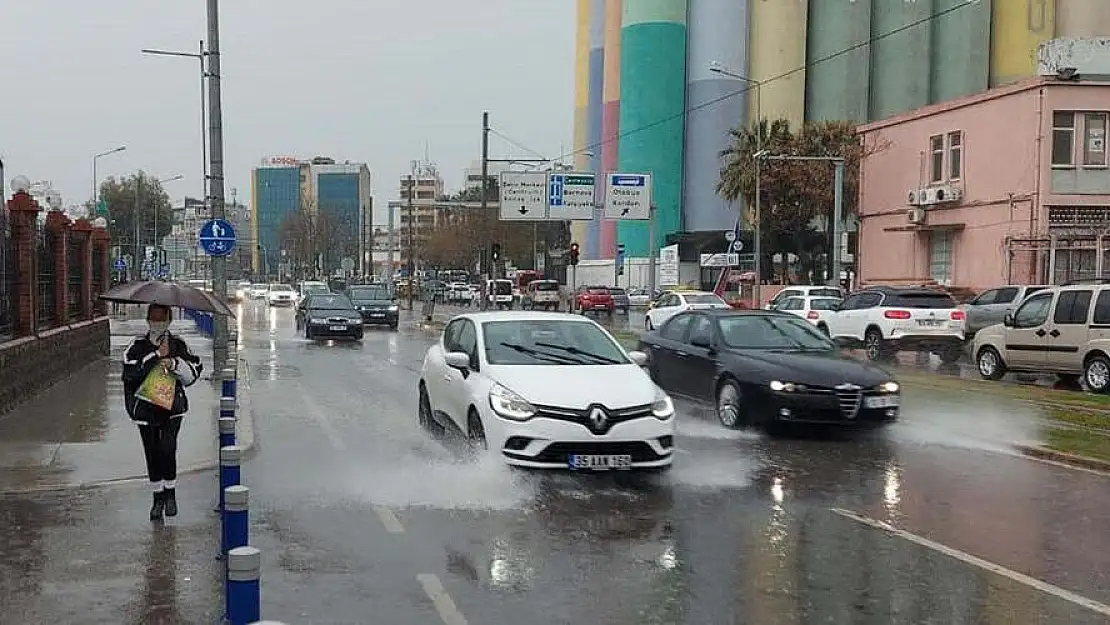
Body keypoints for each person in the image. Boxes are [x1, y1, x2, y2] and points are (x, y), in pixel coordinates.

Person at [122, 304, 202, 520]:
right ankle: (157, 498)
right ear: (148, 320)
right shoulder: (137, 346)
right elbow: (130, 375)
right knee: (152, 452)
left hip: (172, 409)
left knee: (167, 449)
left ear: (169, 320)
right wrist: (156, 355)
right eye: (153, 318)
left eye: (161, 318)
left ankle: (170, 493)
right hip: (145, 410)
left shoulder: (178, 344)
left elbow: (193, 373)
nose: (157, 323)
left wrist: (174, 363)